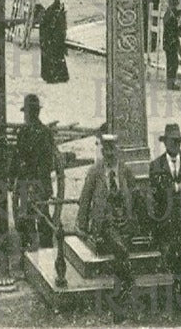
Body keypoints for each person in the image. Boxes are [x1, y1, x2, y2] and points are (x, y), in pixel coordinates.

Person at [77, 133, 140, 318]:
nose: (110, 153)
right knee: (120, 249)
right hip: (104, 223)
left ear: (118, 150)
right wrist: (82, 227)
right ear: (103, 151)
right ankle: (131, 294)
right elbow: (85, 199)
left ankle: (120, 302)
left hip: (125, 222)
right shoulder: (95, 171)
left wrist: (135, 219)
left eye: (113, 149)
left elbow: (135, 197)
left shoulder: (125, 171)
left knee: (121, 253)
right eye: (107, 149)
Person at [148, 123, 181, 313]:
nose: (175, 145)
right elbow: (159, 194)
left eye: (178, 141)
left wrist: (173, 189)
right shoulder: (155, 166)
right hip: (164, 223)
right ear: (165, 143)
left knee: (175, 252)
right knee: (174, 253)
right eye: (172, 141)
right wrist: (178, 187)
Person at [11, 94, 56, 260]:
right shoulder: (38, 132)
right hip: (34, 182)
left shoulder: (32, 132)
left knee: (34, 218)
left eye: (28, 113)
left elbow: (20, 158)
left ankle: (36, 255)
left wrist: (14, 178)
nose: (27, 116)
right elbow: (18, 156)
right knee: (35, 217)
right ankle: (38, 254)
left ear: (30, 113)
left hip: (32, 182)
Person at [40, 0, 69, 83]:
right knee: (55, 56)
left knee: (56, 56)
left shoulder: (56, 11)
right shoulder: (53, 11)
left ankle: (57, 76)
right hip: (53, 37)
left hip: (55, 37)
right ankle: (53, 76)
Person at [163, 0, 181, 90]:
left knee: (170, 63)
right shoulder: (172, 17)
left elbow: (176, 13)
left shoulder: (167, 14)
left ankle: (169, 83)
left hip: (167, 43)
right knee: (173, 64)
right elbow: (178, 30)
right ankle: (171, 84)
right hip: (172, 43)